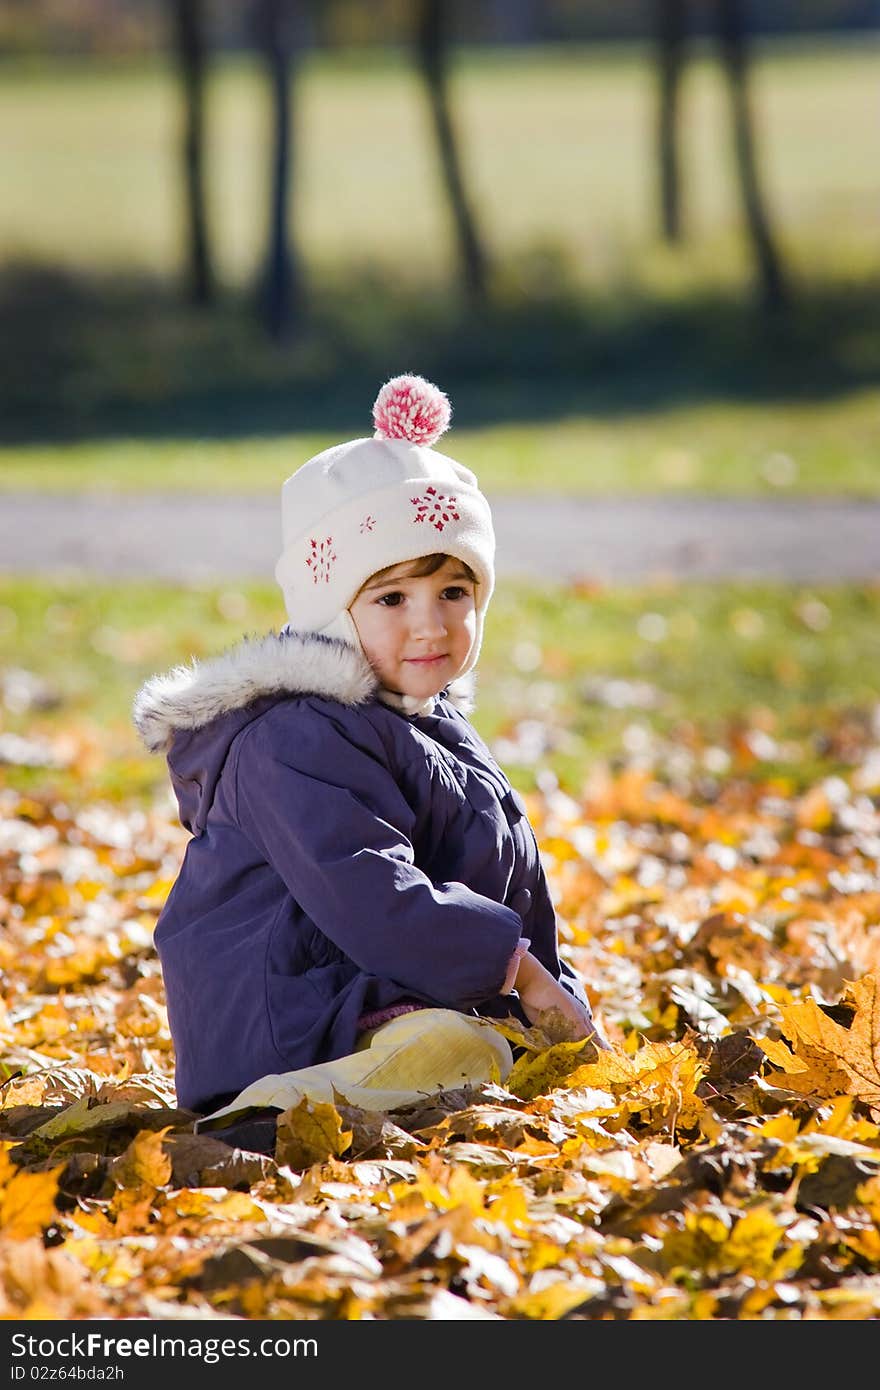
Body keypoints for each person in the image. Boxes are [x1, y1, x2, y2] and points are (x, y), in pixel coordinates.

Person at [133, 373, 608, 1141]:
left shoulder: (431, 724)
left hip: (387, 998)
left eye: (455, 591)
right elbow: (371, 893)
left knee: (492, 1051)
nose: (432, 626)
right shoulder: (294, 736)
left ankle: (450, 1065)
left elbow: (518, 894)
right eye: (392, 599)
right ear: (334, 611)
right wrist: (516, 973)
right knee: (454, 1051)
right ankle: (258, 1121)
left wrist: (558, 1001)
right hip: (290, 1020)